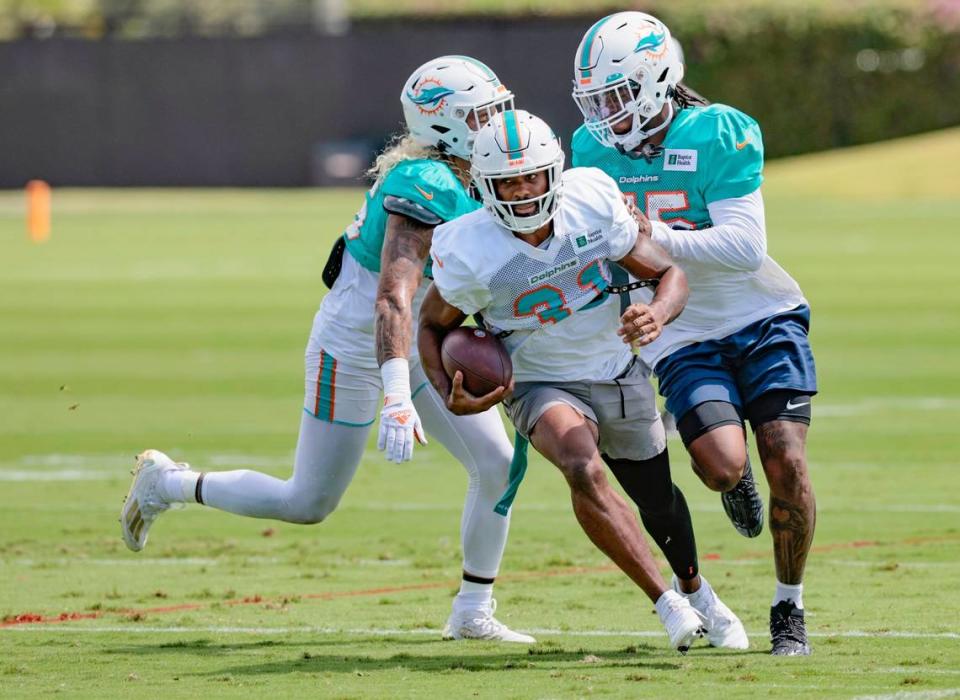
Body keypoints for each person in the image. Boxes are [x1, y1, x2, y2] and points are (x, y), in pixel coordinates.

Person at [120, 56, 535, 643]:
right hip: (358, 342)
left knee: (498, 464)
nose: (499, 122)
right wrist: (396, 393)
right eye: (483, 113)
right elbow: (393, 298)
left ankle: (472, 610)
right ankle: (169, 483)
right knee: (309, 501)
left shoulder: (484, 174)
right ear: (445, 126)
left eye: (499, 106)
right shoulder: (429, 182)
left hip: (426, 338)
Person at [418, 108, 748, 652]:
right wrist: (449, 392)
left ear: (555, 171)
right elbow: (431, 325)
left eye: (530, 176)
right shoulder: (468, 247)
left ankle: (695, 589)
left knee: (658, 499)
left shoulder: (591, 200)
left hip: (615, 365)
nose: (522, 191)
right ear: (483, 185)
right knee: (579, 462)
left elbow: (669, 273)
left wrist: (658, 313)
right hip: (536, 379)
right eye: (506, 181)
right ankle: (666, 604)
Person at [570, 12, 818, 655]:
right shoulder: (590, 149)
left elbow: (743, 246)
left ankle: (788, 606)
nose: (605, 114)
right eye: (594, 99)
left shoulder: (718, 131)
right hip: (678, 330)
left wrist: (649, 237)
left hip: (761, 315)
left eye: (617, 96)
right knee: (720, 467)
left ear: (658, 81)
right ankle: (735, 484)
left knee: (786, 460)